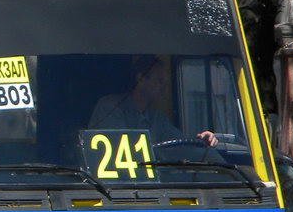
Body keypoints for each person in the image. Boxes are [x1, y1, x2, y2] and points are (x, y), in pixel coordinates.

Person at [88, 55, 217, 147]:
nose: (164, 87)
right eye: (159, 81)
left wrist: (201, 140)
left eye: (166, 82)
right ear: (141, 79)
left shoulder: (157, 119)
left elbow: (181, 143)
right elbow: (120, 149)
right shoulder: (110, 107)